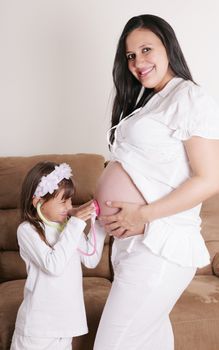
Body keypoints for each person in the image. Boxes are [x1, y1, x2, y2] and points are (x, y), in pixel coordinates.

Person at [93, 14, 219, 350]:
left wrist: (142, 215)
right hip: (134, 246)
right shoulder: (149, 102)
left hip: (160, 247)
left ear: (169, 47)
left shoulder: (189, 98)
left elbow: (210, 179)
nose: (138, 62)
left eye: (146, 49)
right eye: (130, 56)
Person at [10, 161, 106, 350]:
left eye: (70, 200)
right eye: (63, 201)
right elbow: (53, 265)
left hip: (64, 327)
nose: (69, 206)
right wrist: (76, 224)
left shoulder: (67, 227)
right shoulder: (28, 230)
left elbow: (91, 259)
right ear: (38, 202)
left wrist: (100, 225)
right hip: (37, 331)